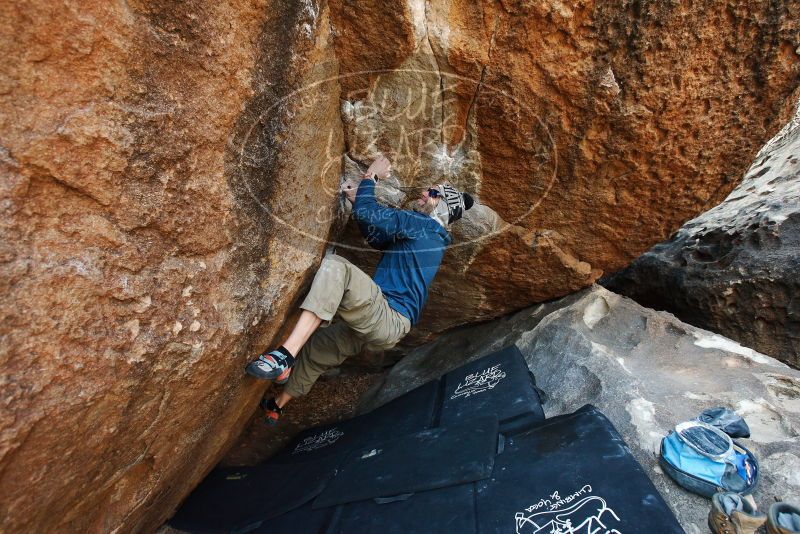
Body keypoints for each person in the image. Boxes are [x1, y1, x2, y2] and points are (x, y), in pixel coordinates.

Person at [244, 155, 474, 424]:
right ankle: (277, 405)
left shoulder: (422, 225)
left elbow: (370, 216)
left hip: (385, 314)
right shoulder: (432, 239)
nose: (424, 193)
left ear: (444, 207)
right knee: (319, 348)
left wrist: (371, 177)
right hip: (387, 329)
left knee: (336, 268)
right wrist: (358, 201)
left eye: (433, 193)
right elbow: (377, 237)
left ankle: (284, 356)